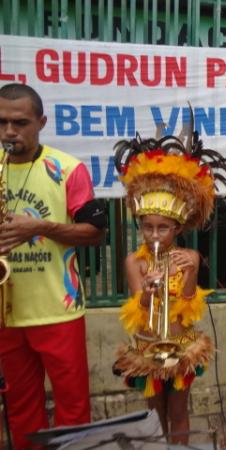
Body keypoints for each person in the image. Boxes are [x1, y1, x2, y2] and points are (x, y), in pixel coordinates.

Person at [0, 83, 106, 449]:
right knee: (20, 407)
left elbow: (95, 232)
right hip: (7, 314)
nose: (10, 132)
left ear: (41, 122)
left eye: (20, 122)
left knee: (73, 407)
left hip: (58, 310)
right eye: (2, 123)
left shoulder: (68, 169)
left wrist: (41, 227)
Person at [112, 133, 226, 444]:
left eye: (162, 227)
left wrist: (190, 270)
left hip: (182, 344)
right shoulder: (133, 262)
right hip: (147, 346)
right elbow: (139, 310)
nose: (154, 234)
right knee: (154, 410)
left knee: (179, 408)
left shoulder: (189, 257)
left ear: (176, 228)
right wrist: (150, 292)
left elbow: (191, 301)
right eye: (147, 226)